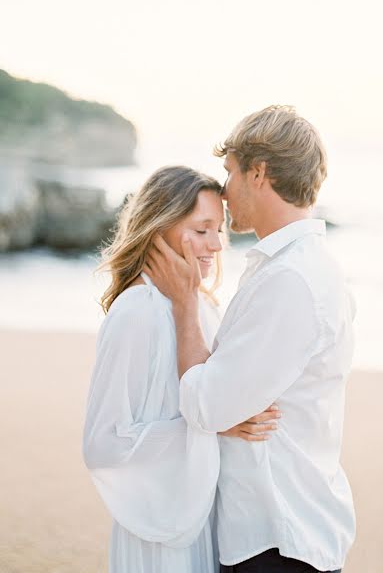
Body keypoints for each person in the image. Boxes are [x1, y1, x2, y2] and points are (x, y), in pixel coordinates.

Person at [145, 106, 356, 573]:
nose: (224, 190)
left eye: (230, 171)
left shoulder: (291, 280)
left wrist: (184, 305)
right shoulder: (296, 268)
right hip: (281, 532)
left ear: (258, 172)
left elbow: (207, 406)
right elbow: (223, 404)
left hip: (277, 541)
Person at [83, 166, 281, 573]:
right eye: (202, 229)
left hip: (206, 516)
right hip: (160, 530)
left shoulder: (201, 306)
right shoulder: (135, 312)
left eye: (219, 231)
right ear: (159, 229)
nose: (216, 245)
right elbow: (102, 444)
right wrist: (208, 426)